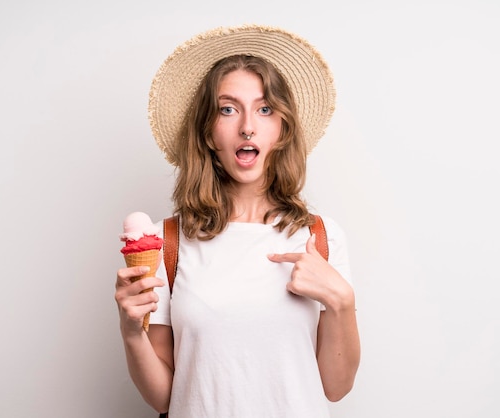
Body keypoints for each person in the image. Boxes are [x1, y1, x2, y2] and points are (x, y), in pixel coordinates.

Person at [114, 25, 360, 418]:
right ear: (210, 133)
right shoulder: (167, 241)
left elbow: (336, 387)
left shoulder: (320, 237)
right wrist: (131, 331)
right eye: (228, 109)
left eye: (265, 109)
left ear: (281, 130)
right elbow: (162, 397)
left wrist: (342, 302)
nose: (247, 125)